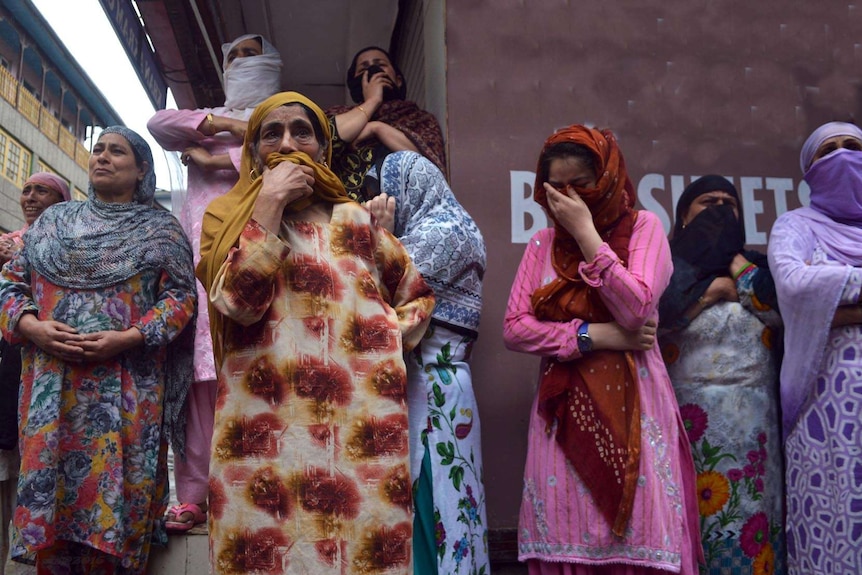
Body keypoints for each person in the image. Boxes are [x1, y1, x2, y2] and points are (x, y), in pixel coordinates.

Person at [196, 91, 436, 574]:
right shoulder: (227, 217)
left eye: (301, 132)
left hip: (357, 427)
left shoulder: (359, 223)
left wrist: (386, 334)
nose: (287, 143)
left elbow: (417, 296)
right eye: (272, 133)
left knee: (362, 551)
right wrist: (268, 200)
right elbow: (238, 304)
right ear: (254, 151)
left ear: (323, 150)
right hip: (263, 429)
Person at [503, 125, 701, 574]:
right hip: (563, 412)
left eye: (582, 186)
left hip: (636, 405)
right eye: (556, 187)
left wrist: (587, 233)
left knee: (639, 525)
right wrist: (592, 336)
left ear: (608, 178)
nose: (568, 199)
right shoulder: (543, 244)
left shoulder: (644, 228)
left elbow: (635, 308)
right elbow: (515, 328)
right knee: (565, 528)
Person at [0, 126, 197, 573]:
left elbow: (182, 298)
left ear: (141, 169)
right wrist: (32, 327)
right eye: (99, 150)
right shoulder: (54, 222)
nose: (103, 158)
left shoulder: (161, 231)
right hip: (53, 390)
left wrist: (129, 337)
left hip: (125, 391)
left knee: (117, 506)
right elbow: (10, 281)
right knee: (53, 509)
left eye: (118, 152)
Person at [147, 32, 281, 532]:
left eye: (254, 55)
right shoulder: (210, 119)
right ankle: (193, 495)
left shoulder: (284, 119)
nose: (243, 64)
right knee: (198, 376)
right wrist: (230, 125)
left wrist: (216, 157)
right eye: (235, 56)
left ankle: (253, 486)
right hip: (197, 262)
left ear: (274, 65)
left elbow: (293, 164)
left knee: (254, 370)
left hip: (256, 255)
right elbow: (157, 123)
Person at [364, 151, 488, 574]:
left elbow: (372, 298)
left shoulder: (444, 233)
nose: (380, 200)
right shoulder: (454, 226)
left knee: (433, 499)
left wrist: (380, 235)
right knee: (445, 505)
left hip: (432, 391)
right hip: (442, 387)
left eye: (385, 191)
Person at [658, 175, 786, 574]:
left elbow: (784, 312)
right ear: (682, 218)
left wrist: (739, 272)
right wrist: (713, 290)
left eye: (728, 204)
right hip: (683, 423)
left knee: (752, 525)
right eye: (706, 202)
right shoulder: (661, 269)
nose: (718, 210)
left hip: (755, 431)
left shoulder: (760, 266)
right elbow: (655, 320)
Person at [767, 121, 862, 574]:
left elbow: (812, 291)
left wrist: (835, 299)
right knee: (834, 516)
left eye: (853, 146)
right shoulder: (795, 226)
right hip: (826, 408)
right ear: (808, 171)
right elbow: (793, 284)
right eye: (828, 151)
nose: (842, 156)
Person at [0, 172, 69, 575]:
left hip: (51, 358)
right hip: (12, 356)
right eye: (25, 190)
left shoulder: (70, 237)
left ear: (60, 199)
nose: (29, 197)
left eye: (40, 190)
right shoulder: (10, 242)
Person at [326, 46, 447, 201]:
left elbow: (429, 168)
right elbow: (326, 140)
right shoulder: (339, 114)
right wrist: (373, 100)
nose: (373, 70)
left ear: (397, 79)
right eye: (363, 68)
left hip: (405, 213)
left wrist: (377, 128)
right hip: (347, 214)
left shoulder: (419, 119)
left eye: (380, 64)